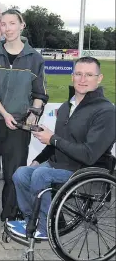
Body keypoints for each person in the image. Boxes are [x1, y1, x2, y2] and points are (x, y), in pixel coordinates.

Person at [9, 56, 116, 239]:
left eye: (89, 75)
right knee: (21, 173)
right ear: (72, 76)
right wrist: (38, 160)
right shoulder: (67, 106)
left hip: (86, 169)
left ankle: (47, 226)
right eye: (78, 74)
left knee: (41, 175)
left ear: (99, 78)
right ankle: (31, 221)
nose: (82, 79)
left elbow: (88, 154)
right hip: (61, 165)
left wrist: (53, 139)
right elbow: (57, 141)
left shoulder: (106, 111)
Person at [0, 9, 49, 227]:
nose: (7, 28)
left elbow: (39, 93)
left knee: (15, 172)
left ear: (22, 25)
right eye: (3, 24)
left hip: (20, 124)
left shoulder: (35, 58)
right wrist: (4, 114)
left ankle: (11, 215)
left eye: (12, 23)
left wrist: (33, 113)